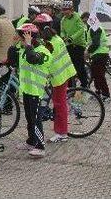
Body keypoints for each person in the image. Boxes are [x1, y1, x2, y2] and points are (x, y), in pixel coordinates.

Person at [33, 13, 77, 142]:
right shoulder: (55, 38)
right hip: (64, 74)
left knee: (59, 104)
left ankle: (62, 133)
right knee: (60, 104)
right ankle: (61, 131)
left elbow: (46, 61)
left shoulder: (50, 43)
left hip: (59, 77)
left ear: (40, 28)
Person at [10, 23, 52, 158]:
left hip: (37, 91)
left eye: (23, 37)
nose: (21, 39)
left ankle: (40, 146)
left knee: (36, 119)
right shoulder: (25, 49)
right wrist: (13, 45)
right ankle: (31, 141)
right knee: (29, 118)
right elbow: (12, 61)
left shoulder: (42, 51)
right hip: (27, 90)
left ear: (30, 37)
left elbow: (33, 59)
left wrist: (28, 45)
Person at [80, 12, 110, 101]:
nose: (84, 23)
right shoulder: (93, 27)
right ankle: (98, 93)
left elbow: (96, 44)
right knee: (95, 75)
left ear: (88, 19)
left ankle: (106, 95)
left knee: (99, 76)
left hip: (100, 54)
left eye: (84, 21)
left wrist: (87, 51)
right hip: (97, 54)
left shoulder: (95, 28)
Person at [60, 1, 88, 88]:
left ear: (71, 10)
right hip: (69, 44)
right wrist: (64, 36)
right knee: (69, 66)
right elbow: (62, 31)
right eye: (63, 10)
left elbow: (81, 30)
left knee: (79, 67)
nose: (64, 12)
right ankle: (71, 87)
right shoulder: (63, 20)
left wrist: (72, 38)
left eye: (66, 10)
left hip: (79, 44)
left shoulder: (77, 17)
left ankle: (84, 85)